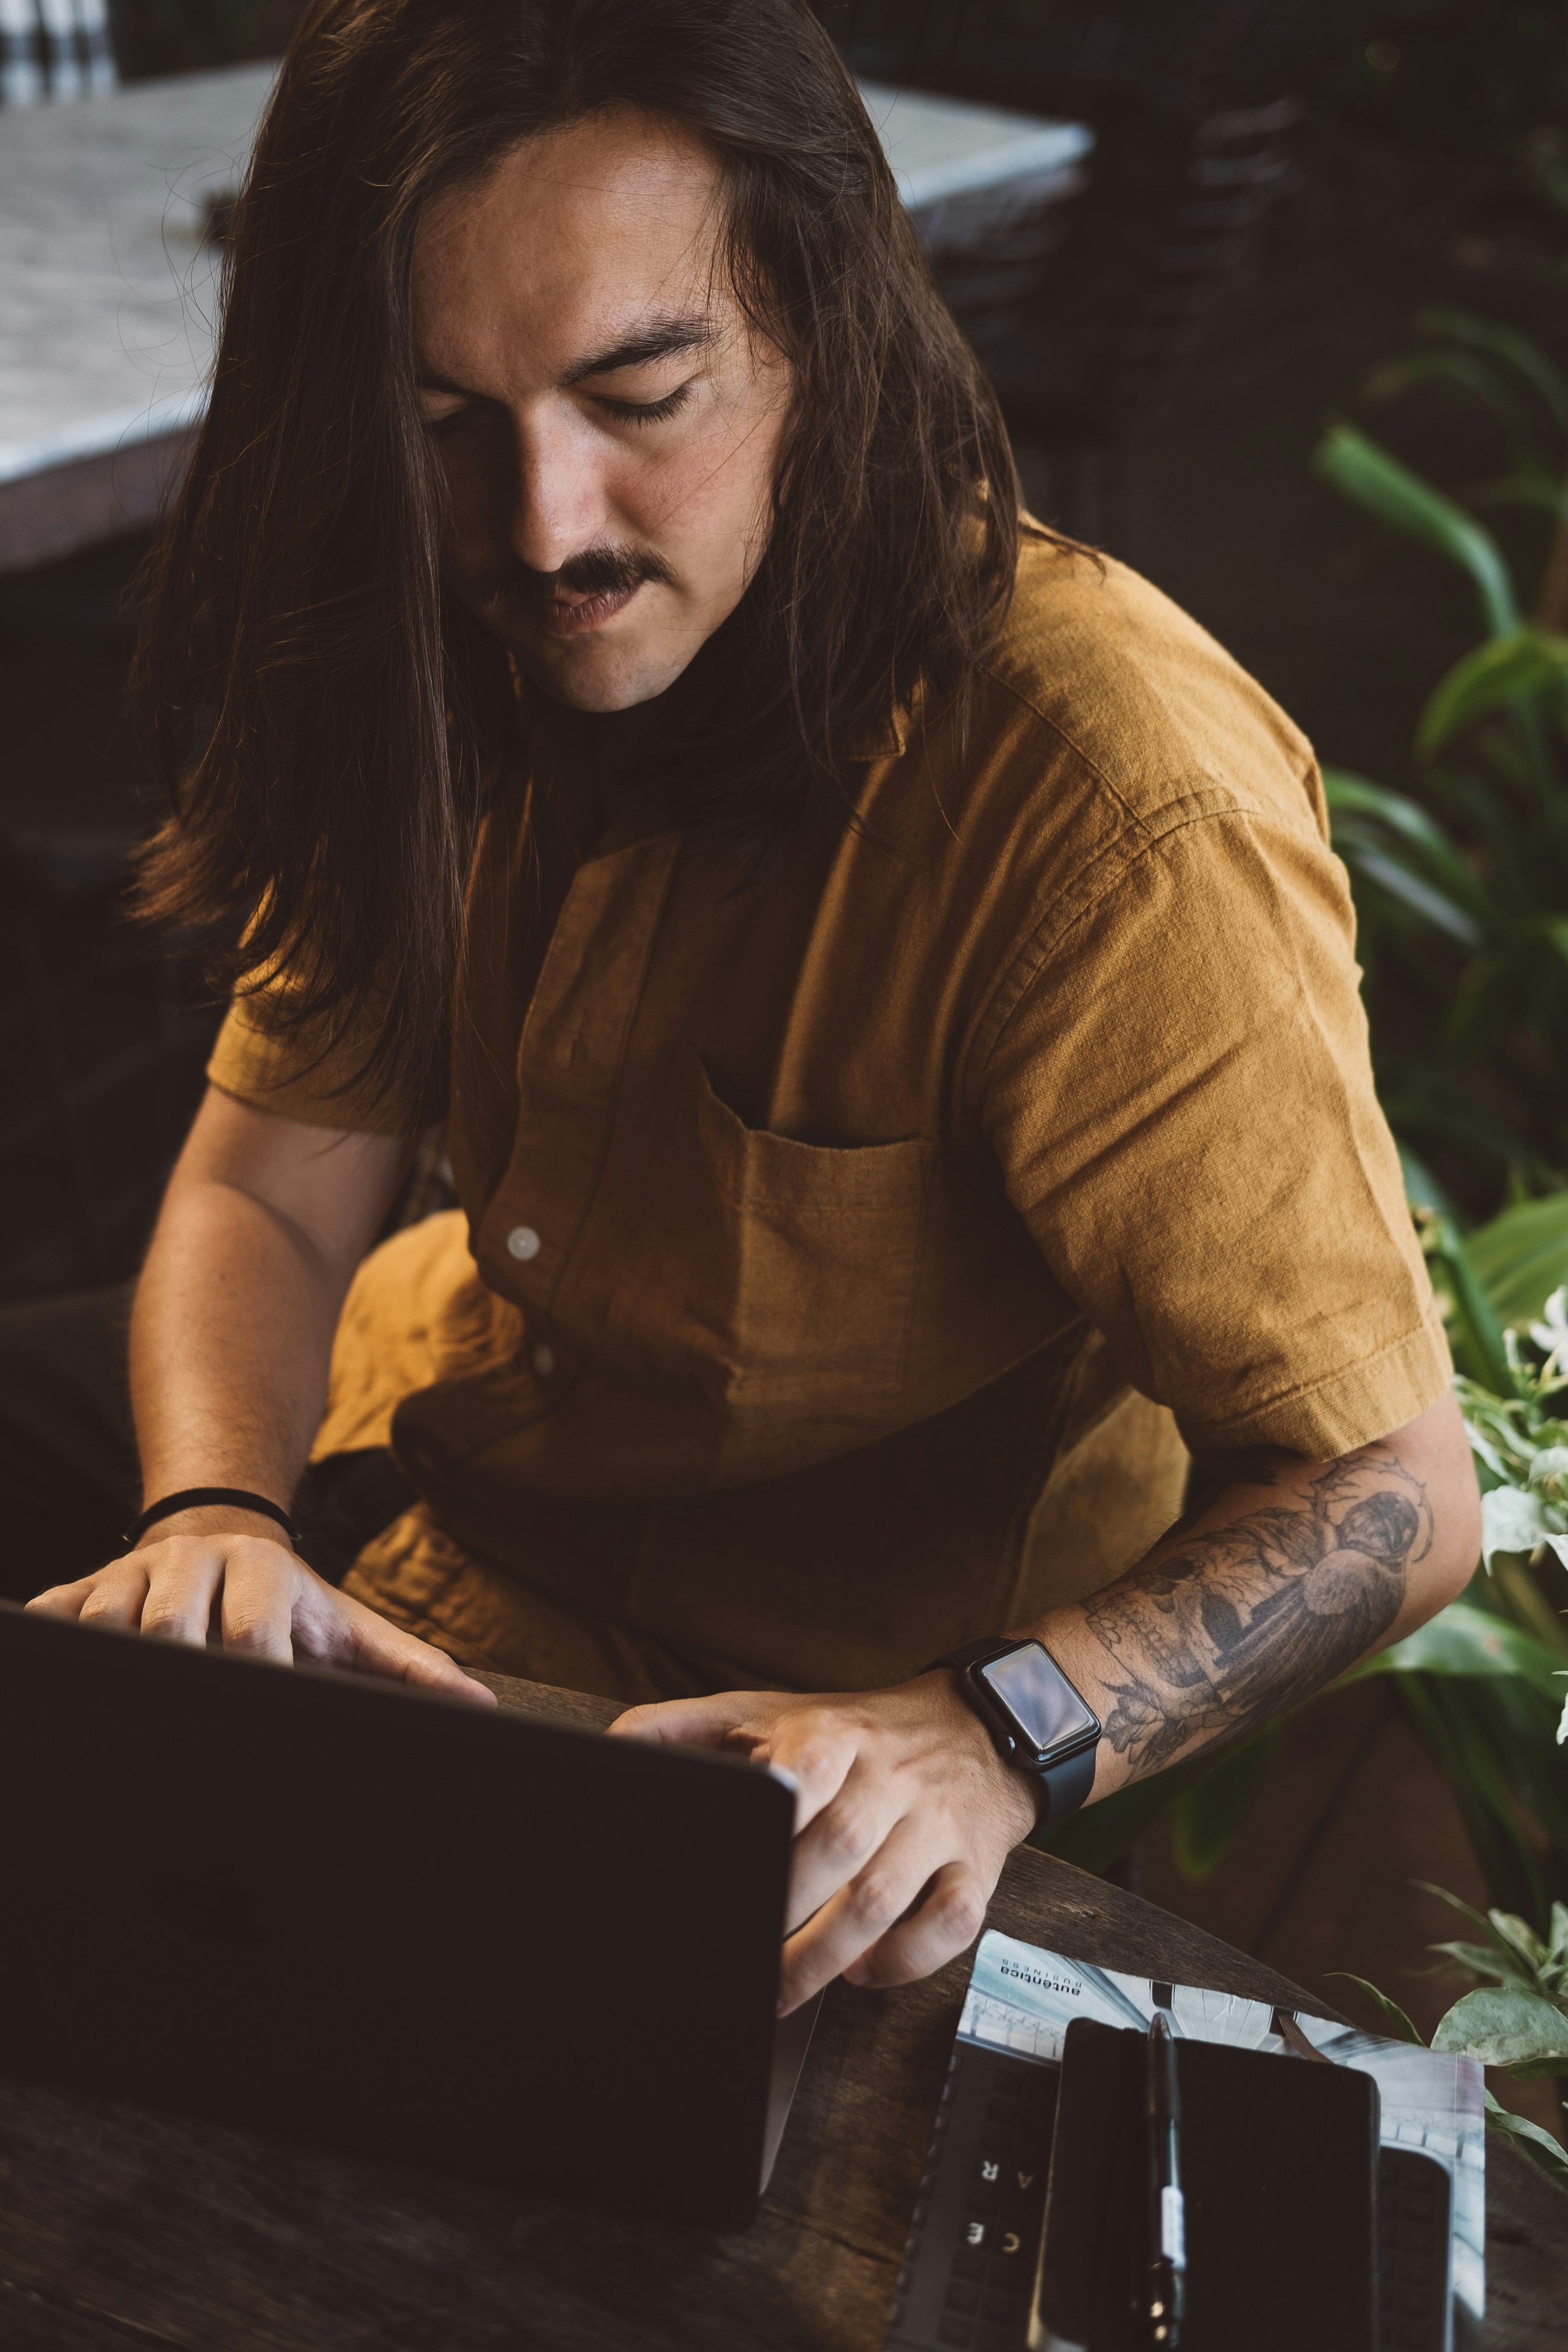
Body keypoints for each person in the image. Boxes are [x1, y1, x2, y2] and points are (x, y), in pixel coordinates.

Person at [8, 0, 1479, 2016]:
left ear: (824, 332)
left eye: (641, 392)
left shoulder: (1119, 805)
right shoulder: (437, 632)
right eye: (444, 422)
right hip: (432, 1411)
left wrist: (995, 1731)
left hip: (764, 1695)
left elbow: (1396, 1492)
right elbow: (268, 1189)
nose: (542, 525)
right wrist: (212, 1514)